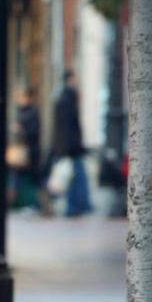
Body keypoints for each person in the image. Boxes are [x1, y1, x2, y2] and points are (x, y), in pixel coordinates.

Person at [52, 70, 93, 217]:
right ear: (70, 80)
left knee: (73, 177)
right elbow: (67, 126)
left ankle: (77, 207)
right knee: (75, 177)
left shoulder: (63, 98)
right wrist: (70, 147)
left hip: (70, 147)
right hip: (71, 148)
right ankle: (77, 207)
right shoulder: (67, 99)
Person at [11, 88, 42, 210]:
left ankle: (44, 207)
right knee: (16, 179)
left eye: (22, 97)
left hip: (31, 152)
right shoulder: (20, 112)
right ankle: (9, 205)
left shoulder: (33, 113)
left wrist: (21, 130)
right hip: (20, 152)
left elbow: (34, 132)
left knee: (37, 179)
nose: (20, 100)